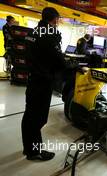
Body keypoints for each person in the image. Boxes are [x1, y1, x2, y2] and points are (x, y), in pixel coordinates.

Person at [21, 7, 66, 161]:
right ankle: (35, 152)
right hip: (44, 81)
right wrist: (72, 66)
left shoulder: (32, 32)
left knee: (29, 115)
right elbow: (59, 59)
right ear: (55, 19)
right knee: (38, 118)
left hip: (33, 79)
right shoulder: (50, 34)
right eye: (58, 20)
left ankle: (29, 148)